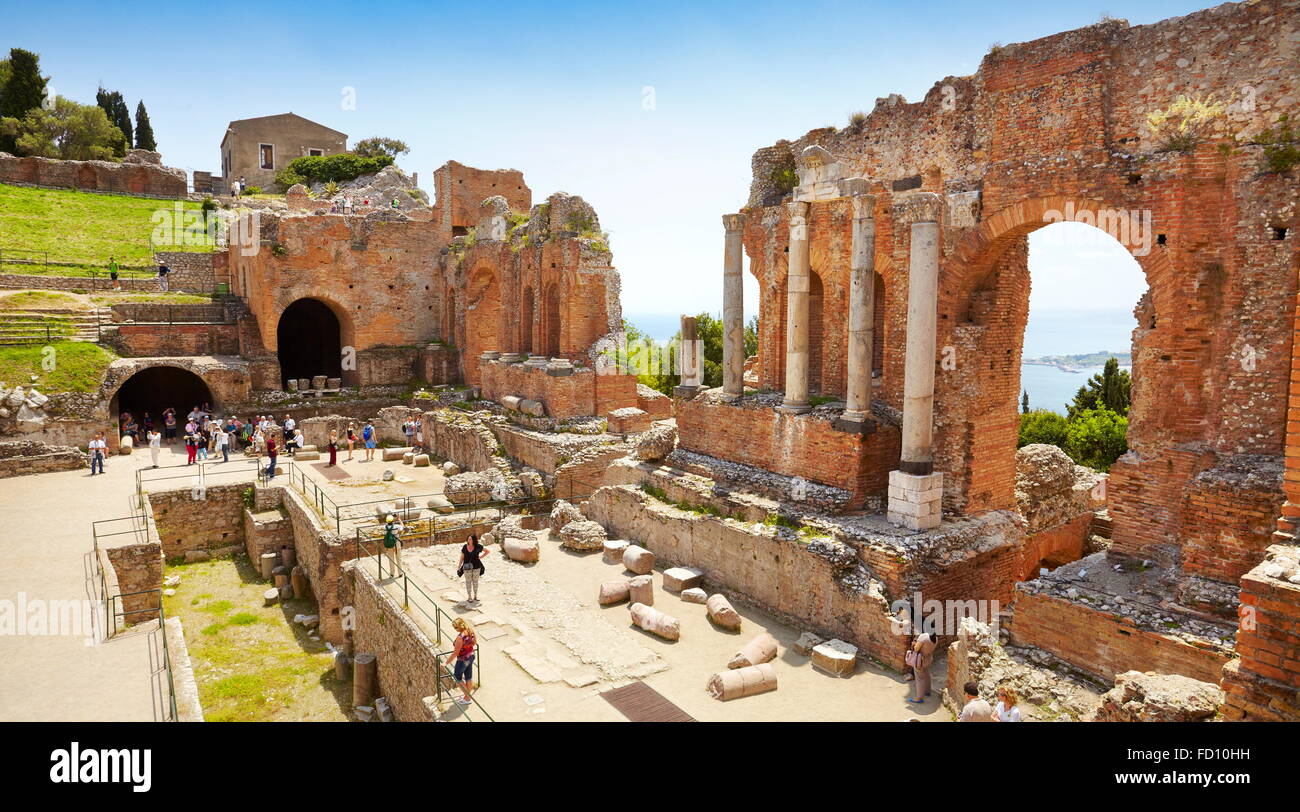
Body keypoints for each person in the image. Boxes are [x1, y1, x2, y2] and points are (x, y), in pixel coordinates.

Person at [448, 617, 477, 706]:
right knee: (468, 677)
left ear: (460, 626)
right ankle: (467, 697)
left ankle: (467, 698)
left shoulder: (460, 637)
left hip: (463, 660)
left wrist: (446, 662)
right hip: (471, 656)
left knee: (457, 678)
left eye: (456, 627)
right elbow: (474, 642)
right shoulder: (470, 631)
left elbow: (455, 652)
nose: (455, 629)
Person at [456, 533, 491, 604]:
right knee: (468, 582)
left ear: (473, 540)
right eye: (468, 539)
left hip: (476, 567)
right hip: (467, 567)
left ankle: (475, 596)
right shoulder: (465, 547)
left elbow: (487, 551)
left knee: (475, 582)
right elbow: (462, 557)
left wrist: (480, 557)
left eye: (470, 539)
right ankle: (469, 597)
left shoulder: (478, 546)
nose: (468, 540)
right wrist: (459, 566)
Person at [907, 631, 937, 704]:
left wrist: (914, 644)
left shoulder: (923, 637)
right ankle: (927, 692)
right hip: (929, 658)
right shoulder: (935, 638)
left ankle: (919, 698)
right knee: (927, 675)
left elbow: (916, 649)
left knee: (920, 679)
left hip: (920, 660)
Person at [379, 513, 404, 577]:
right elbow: (402, 526)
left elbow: (383, 532)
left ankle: (392, 573)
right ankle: (400, 573)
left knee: (391, 559)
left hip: (389, 545)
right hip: (397, 544)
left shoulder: (384, 527)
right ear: (393, 521)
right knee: (399, 558)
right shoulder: (397, 526)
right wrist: (398, 519)